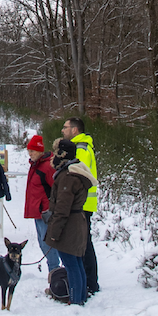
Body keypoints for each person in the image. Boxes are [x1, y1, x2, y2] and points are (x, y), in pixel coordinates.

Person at [44, 137, 97, 306]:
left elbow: (62, 209)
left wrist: (54, 233)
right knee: (76, 262)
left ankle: (76, 300)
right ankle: (79, 297)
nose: (52, 157)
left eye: (55, 152)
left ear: (63, 154)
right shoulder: (72, 173)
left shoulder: (67, 177)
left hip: (70, 226)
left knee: (71, 263)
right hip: (76, 222)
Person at [63, 117, 99, 296]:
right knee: (84, 243)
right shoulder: (81, 146)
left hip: (82, 204)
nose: (63, 130)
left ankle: (90, 283)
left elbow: (79, 175)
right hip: (84, 203)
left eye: (66, 127)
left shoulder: (81, 148)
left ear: (75, 130)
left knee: (84, 245)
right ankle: (88, 282)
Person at [24, 134, 57, 273]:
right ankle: (54, 272)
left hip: (46, 212)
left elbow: (56, 188)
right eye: (29, 151)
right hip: (39, 212)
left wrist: (52, 209)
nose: (30, 154)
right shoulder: (36, 165)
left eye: (33, 151)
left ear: (40, 151)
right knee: (43, 244)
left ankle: (55, 272)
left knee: (48, 244)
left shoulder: (47, 167)